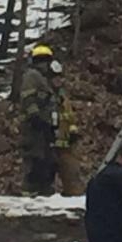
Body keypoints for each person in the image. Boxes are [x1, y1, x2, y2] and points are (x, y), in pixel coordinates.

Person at [20, 45, 59, 195]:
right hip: (34, 127)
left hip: (45, 126)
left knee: (48, 161)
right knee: (35, 159)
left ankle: (44, 192)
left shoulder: (44, 79)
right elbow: (28, 99)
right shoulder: (32, 76)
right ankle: (30, 192)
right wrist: (36, 118)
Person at [50, 62, 83, 196]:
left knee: (71, 173)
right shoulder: (47, 96)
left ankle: (73, 200)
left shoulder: (63, 97)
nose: (58, 80)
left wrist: (73, 132)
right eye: (54, 77)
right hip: (49, 144)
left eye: (59, 77)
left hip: (66, 144)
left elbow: (70, 118)